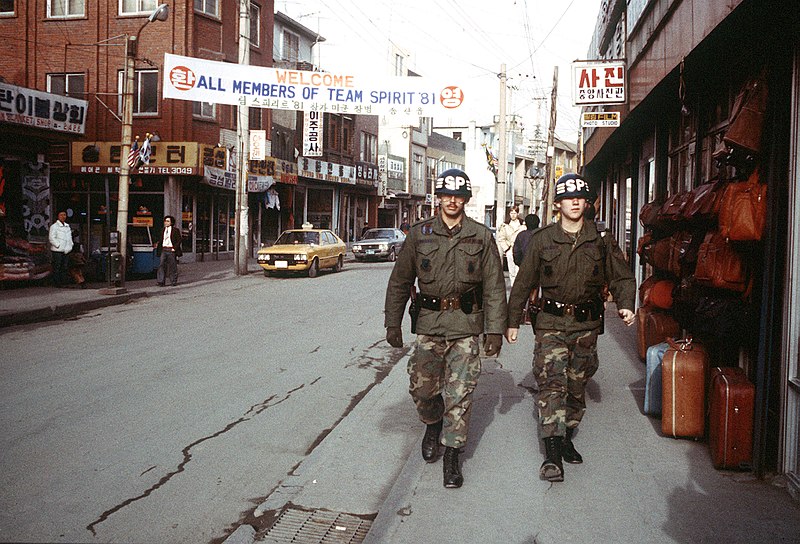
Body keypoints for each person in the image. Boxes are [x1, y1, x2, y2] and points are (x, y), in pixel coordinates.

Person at [505, 173, 635, 483]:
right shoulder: (543, 240)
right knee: (552, 384)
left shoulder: (601, 239)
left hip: (586, 325)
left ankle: (566, 437)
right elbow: (523, 283)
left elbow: (622, 276)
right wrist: (511, 322)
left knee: (577, 385)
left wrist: (626, 303)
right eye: (567, 198)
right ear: (558, 204)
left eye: (579, 197)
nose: (574, 202)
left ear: (586, 202)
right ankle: (552, 453)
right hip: (550, 324)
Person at [384, 168, 507, 489]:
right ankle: (433, 423)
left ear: (466, 199)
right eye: (447, 195)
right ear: (438, 198)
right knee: (422, 389)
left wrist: (494, 331)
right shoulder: (418, 234)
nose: (452, 201)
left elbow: (494, 287)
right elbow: (399, 282)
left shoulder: (481, 236)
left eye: (459, 196)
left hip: (466, 325)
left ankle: (452, 455)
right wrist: (392, 323)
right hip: (429, 324)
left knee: (460, 392)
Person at [496, 206, 525, 285]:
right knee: (511, 270)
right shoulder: (505, 225)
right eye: (511, 213)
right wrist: (507, 249)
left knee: (519, 269)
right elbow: (501, 238)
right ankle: (513, 286)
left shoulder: (523, 224)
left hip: (520, 250)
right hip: (510, 249)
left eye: (515, 213)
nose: (513, 215)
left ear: (518, 214)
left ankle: (518, 286)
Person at [48, 210, 73, 287]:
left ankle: (64, 282)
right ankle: (57, 283)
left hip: (66, 250)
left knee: (65, 267)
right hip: (57, 250)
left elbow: (69, 238)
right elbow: (51, 238)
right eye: (61, 215)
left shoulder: (67, 226)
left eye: (64, 215)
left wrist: (70, 245)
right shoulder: (54, 226)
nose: (63, 216)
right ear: (58, 216)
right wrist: (58, 245)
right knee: (57, 266)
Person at [156, 215, 183, 286]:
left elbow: (179, 240)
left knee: (172, 266)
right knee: (161, 265)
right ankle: (161, 281)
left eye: (168, 221)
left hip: (171, 249)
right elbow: (160, 239)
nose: (166, 222)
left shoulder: (175, 230)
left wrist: (174, 248)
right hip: (164, 249)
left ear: (171, 222)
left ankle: (173, 281)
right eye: (165, 221)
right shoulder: (162, 230)